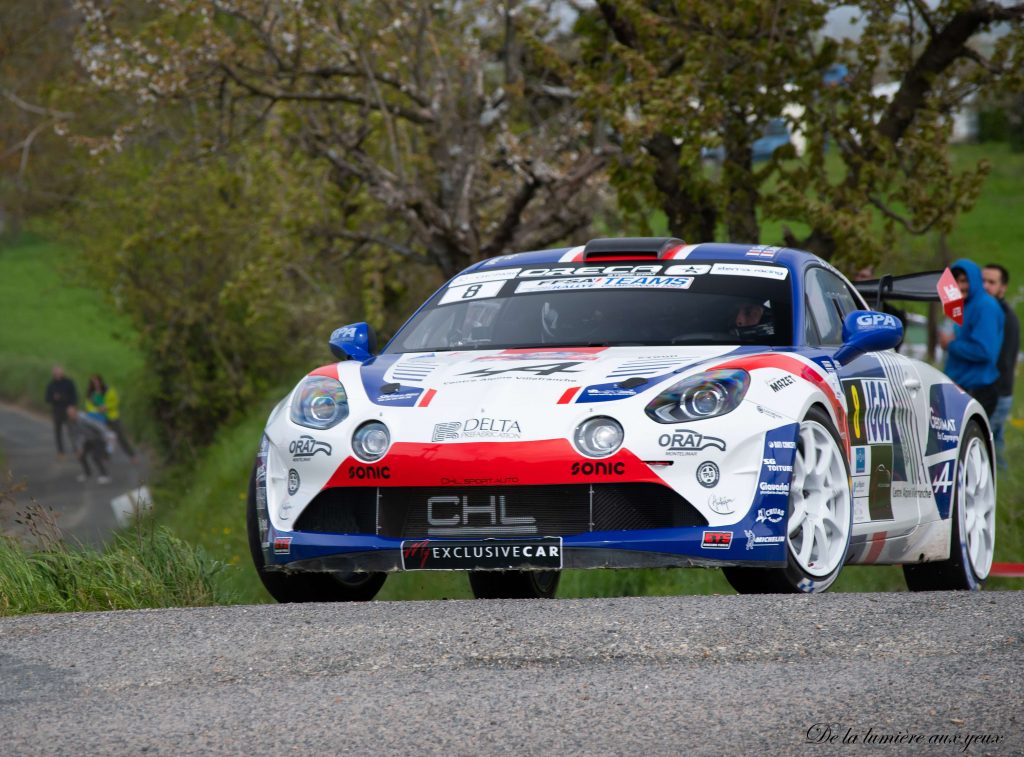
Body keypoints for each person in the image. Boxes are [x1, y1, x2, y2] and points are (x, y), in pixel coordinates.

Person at [938, 258, 1004, 417]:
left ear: (975, 280)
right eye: (955, 281)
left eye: (964, 280)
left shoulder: (985, 306)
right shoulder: (962, 305)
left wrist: (951, 344)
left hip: (977, 389)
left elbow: (984, 351)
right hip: (960, 387)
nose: (960, 286)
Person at [982, 263, 1019, 469]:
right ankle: (1003, 490)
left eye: (992, 282)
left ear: (1003, 287)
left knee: (984, 448)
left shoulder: (1000, 316)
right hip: (1001, 393)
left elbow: (993, 357)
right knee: (996, 445)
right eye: (982, 281)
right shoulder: (996, 311)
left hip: (995, 393)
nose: (985, 286)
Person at [84, 374, 136, 461]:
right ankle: (106, 455)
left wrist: (106, 407)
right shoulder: (90, 394)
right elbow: (88, 406)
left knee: (120, 436)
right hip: (99, 418)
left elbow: (116, 402)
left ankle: (132, 455)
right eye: (93, 382)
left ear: (101, 381)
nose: (96, 384)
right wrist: (97, 409)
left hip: (112, 417)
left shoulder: (109, 390)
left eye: (97, 382)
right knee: (104, 437)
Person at [67, 405, 111, 484]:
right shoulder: (71, 422)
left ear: (76, 412)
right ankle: (87, 473)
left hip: (98, 438)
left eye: (72, 413)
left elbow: (97, 425)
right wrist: (79, 449)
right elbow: (75, 436)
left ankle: (105, 475)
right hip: (88, 439)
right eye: (69, 414)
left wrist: (106, 435)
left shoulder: (84, 419)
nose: (71, 416)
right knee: (81, 455)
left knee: (95, 457)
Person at [43, 364, 78, 458]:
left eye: (59, 372)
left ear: (62, 372)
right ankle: (61, 452)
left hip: (68, 409)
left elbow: (74, 396)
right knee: (58, 432)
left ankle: (76, 449)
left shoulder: (69, 382)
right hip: (57, 410)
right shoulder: (51, 385)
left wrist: (72, 406)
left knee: (72, 431)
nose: (57, 374)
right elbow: (47, 398)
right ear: (53, 374)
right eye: (55, 373)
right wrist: (54, 398)